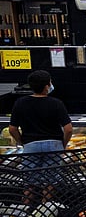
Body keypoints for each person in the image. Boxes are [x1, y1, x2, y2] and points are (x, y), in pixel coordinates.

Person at [8, 70, 73, 204]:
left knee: (30, 182)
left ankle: (23, 213)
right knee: (50, 182)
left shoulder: (20, 103)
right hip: (54, 145)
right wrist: (63, 144)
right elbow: (68, 129)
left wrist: (22, 142)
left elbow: (12, 128)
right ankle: (44, 212)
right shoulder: (56, 103)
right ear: (47, 86)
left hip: (31, 145)